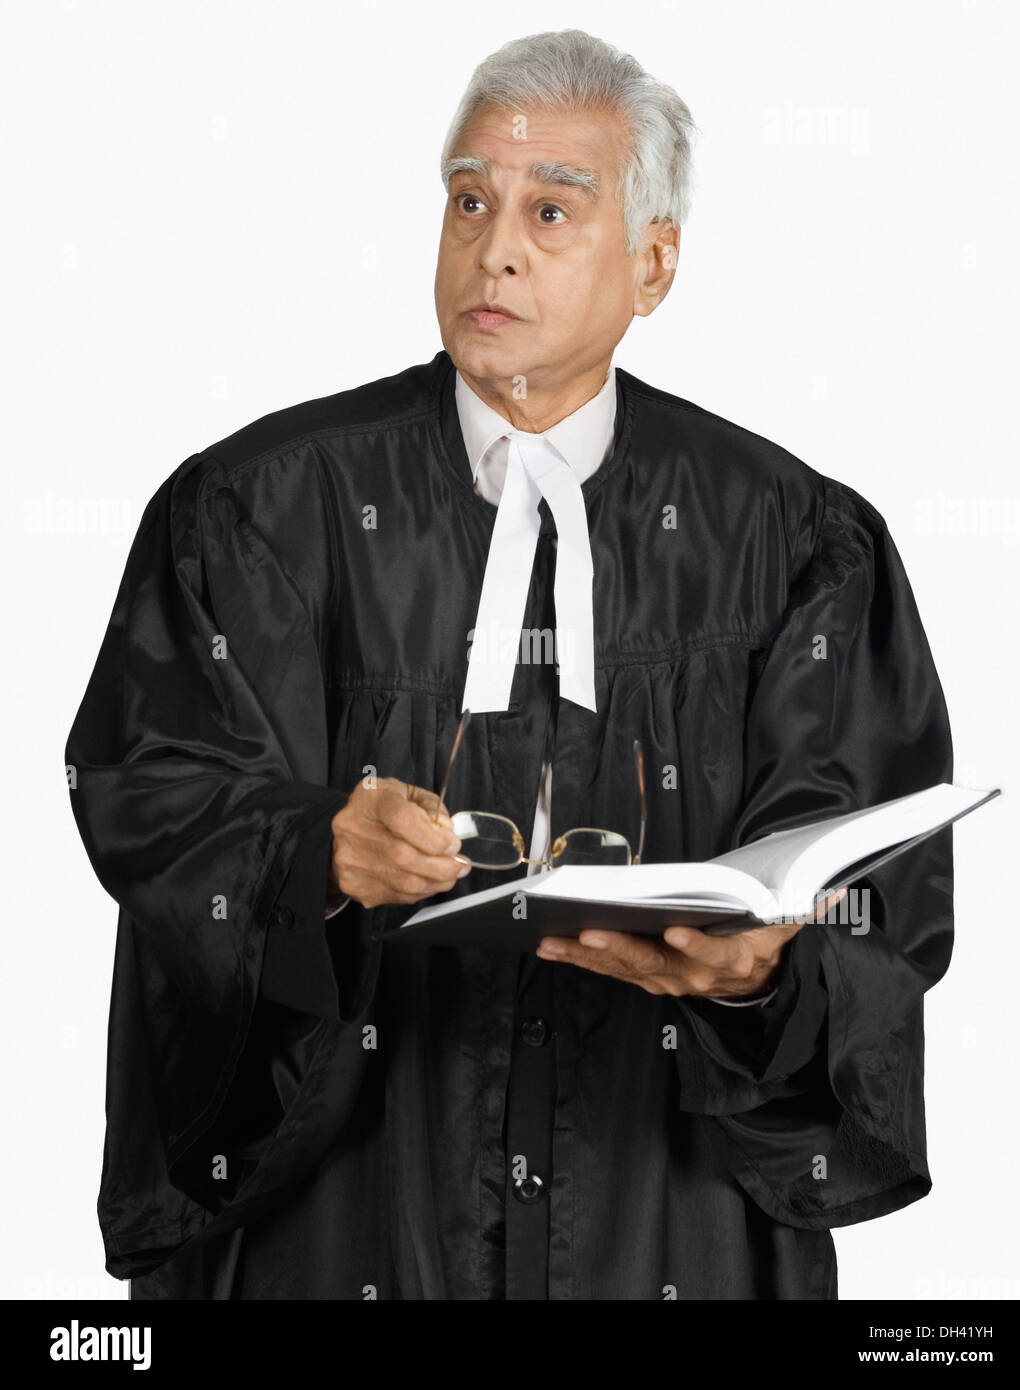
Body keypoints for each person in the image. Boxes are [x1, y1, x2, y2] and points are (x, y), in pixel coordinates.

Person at [65, 29, 953, 1300]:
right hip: (337, 1220)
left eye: (550, 208)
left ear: (653, 262)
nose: (496, 247)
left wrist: (760, 971)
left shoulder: (791, 540)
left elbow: (873, 886)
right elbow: (144, 792)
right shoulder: (258, 510)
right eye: (469, 201)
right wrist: (313, 850)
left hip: (664, 1216)